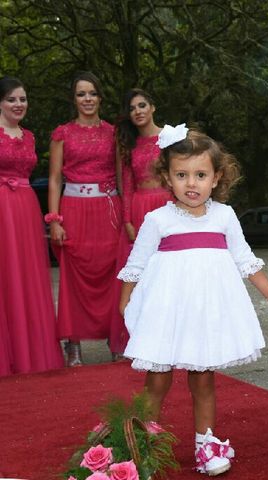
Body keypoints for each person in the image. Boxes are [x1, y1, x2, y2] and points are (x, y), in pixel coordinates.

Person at [118, 124, 268, 476]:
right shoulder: (158, 220)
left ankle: (206, 444)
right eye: (181, 175)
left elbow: (246, 261)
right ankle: (144, 448)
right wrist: (126, 304)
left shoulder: (224, 217)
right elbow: (135, 265)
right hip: (167, 312)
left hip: (205, 313)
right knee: (157, 379)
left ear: (216, 177)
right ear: (166, 177)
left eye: (200, 175)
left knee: (203, 378)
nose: (191, 183)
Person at [48, 71, 121, 366]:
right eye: (81, 94)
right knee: (73, 274)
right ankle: (73, 342)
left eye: (92, 93)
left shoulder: (114, 133)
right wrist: (54, 219)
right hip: (74, 209)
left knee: (111, 272)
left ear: (100, 97)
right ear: (74, 99)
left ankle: (115, 338)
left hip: (108, 209)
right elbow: (54, 179)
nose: (87, 99)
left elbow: (120, 175)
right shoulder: (62, 133)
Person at [0, 76, 64, 376]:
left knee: (26, 275)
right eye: (12, 99)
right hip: (2, 208)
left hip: (25, 207)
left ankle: (31, 354)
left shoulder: (30, 137)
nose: (18, 104)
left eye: (22, 99)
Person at [109, 88, 172, 355]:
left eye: (142, 105)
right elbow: (127, 186)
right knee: (138, 276)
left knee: (167, 273)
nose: (138, 111)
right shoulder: (128, 144)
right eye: (133, 108)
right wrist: (127, 220)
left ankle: (169, 336)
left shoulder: (170, 137)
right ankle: (137, 340)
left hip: (168, 204)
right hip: (139, 209)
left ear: (153, 107)